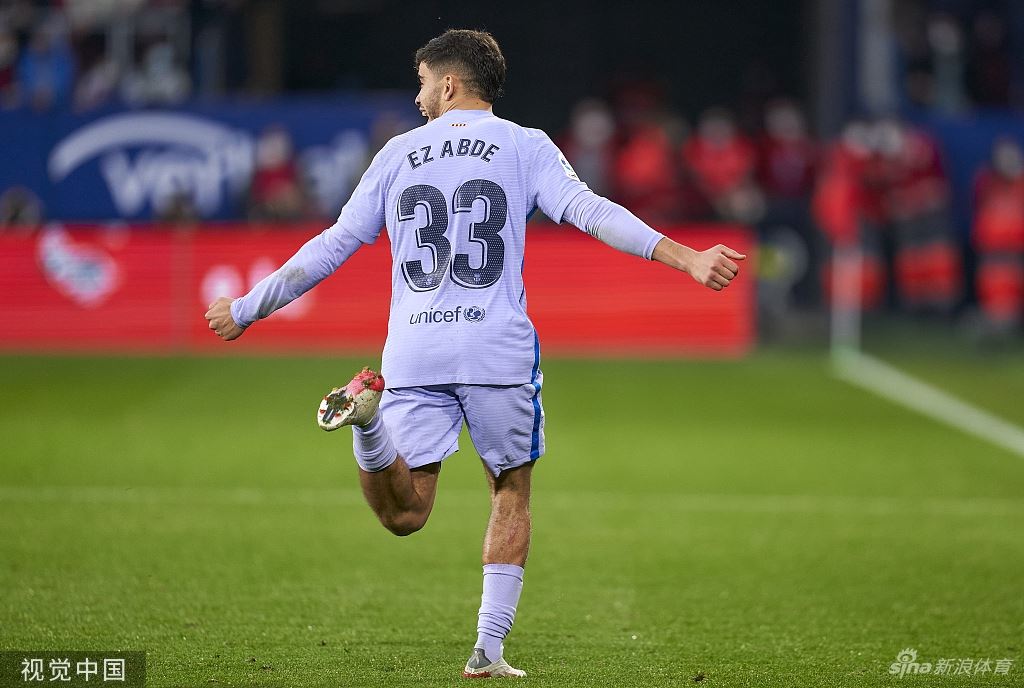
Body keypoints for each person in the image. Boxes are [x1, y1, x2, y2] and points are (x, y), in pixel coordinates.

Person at [204, 29, 744, 679]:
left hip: (415, 348)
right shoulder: (524, 145)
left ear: (450, 83)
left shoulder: (397, 153)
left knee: (406, 513)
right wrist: (686, 257)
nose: (418, 95)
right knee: (510, 490)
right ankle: (487, 650)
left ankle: (368, 424)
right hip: (495, 349)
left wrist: (247, 307)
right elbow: (591, 212)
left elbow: (334, 244)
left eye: (423, 82)